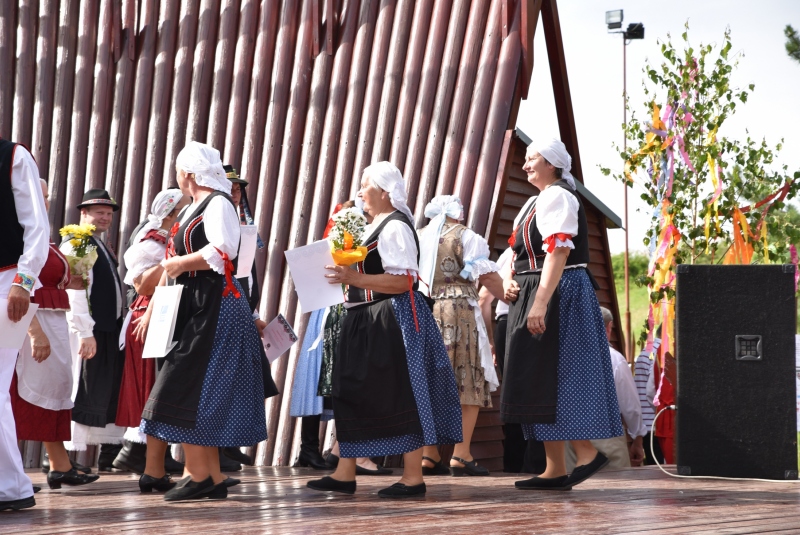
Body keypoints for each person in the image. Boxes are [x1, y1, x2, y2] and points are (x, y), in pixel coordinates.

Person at [307, 161, 462, 499]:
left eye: (366, 186)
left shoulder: (395, 227)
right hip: (364, 317)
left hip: (392, 318)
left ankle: (412, 478)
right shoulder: (373, 225)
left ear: (385, 192)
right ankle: (345, 471)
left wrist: (354, 278)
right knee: (351, 390)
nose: (360, 192)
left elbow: (405, 280)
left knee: (401, 392)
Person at [135, 141, 272, 501]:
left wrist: (179, 264)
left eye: (179, 171)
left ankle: (197, 475)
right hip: (196, 302)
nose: (178, 177)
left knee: (188, 383)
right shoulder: (197, 206)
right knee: (199, 384)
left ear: (188, 173)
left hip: (214, 303)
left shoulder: (218, 202)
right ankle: (210, 476)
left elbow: (223, 248)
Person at [502, 139, 622, 491]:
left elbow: (557, 252)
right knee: (536, 378)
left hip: (558, 292)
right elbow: (520, 253)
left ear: (552, 164)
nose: (525, 165)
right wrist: (511, 281)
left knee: (558, 375)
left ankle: (586, 454)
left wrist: (539, 301)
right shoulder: (533, 201)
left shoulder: (558, 196)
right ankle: (554, 468)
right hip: (536, 290)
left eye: (532, 159)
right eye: (525, 159)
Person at [11, 179, 99, 490]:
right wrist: (34, 332)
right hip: (25, 321)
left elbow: (47, 278)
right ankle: (12, 474)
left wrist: (71, 279)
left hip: (52, 319)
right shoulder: (15, 235)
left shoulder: (39, 235)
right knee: (17, 393)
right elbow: (13, 286)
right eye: (38, 195)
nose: (43, 201)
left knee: (55, 388)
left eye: (46, 196)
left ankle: (58, 464)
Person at [417, 195, 505, 477]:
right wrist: (513, 297)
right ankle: (461, 453)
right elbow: (489, 278)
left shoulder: (420, 237)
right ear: (459, 212)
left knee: (433, 380)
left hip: (427, 310)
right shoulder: (467, 237)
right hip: (459, 311)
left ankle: (429, 454)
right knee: (467, 378)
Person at [111, 190, 188, 488]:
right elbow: (142, 286)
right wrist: (173, 260)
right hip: (151, 318)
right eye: (183, 208)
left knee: (164, 388)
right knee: (156, 389)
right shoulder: (151, 242)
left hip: (168, 315)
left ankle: (156, 465)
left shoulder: (173, 240)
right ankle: (147, 463)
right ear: (169, 214)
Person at [61, 189, 127, 468]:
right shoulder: (78, 243)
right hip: (85, 331)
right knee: (78, 387)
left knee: (95, 388)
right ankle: (60, 460)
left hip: (103, 329)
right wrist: (85, 332)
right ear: (83, 213)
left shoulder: (95, 243)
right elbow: (75, 292)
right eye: (99, 211)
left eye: (109, 213)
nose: (105, 217)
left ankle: (68, 461)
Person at [0, 139, 49, 511]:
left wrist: (24, 280)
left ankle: (11, 488)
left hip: (6, 283)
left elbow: (37, 225)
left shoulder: (13, 155)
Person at [478, 247, 546, 474]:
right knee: (536, 395)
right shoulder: (533, 249)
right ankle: (537, 464)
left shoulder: (509, 253)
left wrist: (490, 340)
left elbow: (483, 300)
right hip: (527, 321)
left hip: (505, 324)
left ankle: (514, 465)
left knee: (514, 398)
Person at [564, 307, 646, 471]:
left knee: (575, 491)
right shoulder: (614, 359)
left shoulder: (565, 356)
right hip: (607, 435)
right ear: (608, 328)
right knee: (615, 490)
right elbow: (630, 406)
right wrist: (638, 439)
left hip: (570, 438)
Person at [634, 335, 664, 464]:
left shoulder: (645, 354)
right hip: (658, 424)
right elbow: (648, 393)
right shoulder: (658, 351)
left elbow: (641, 395)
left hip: (650, 426)